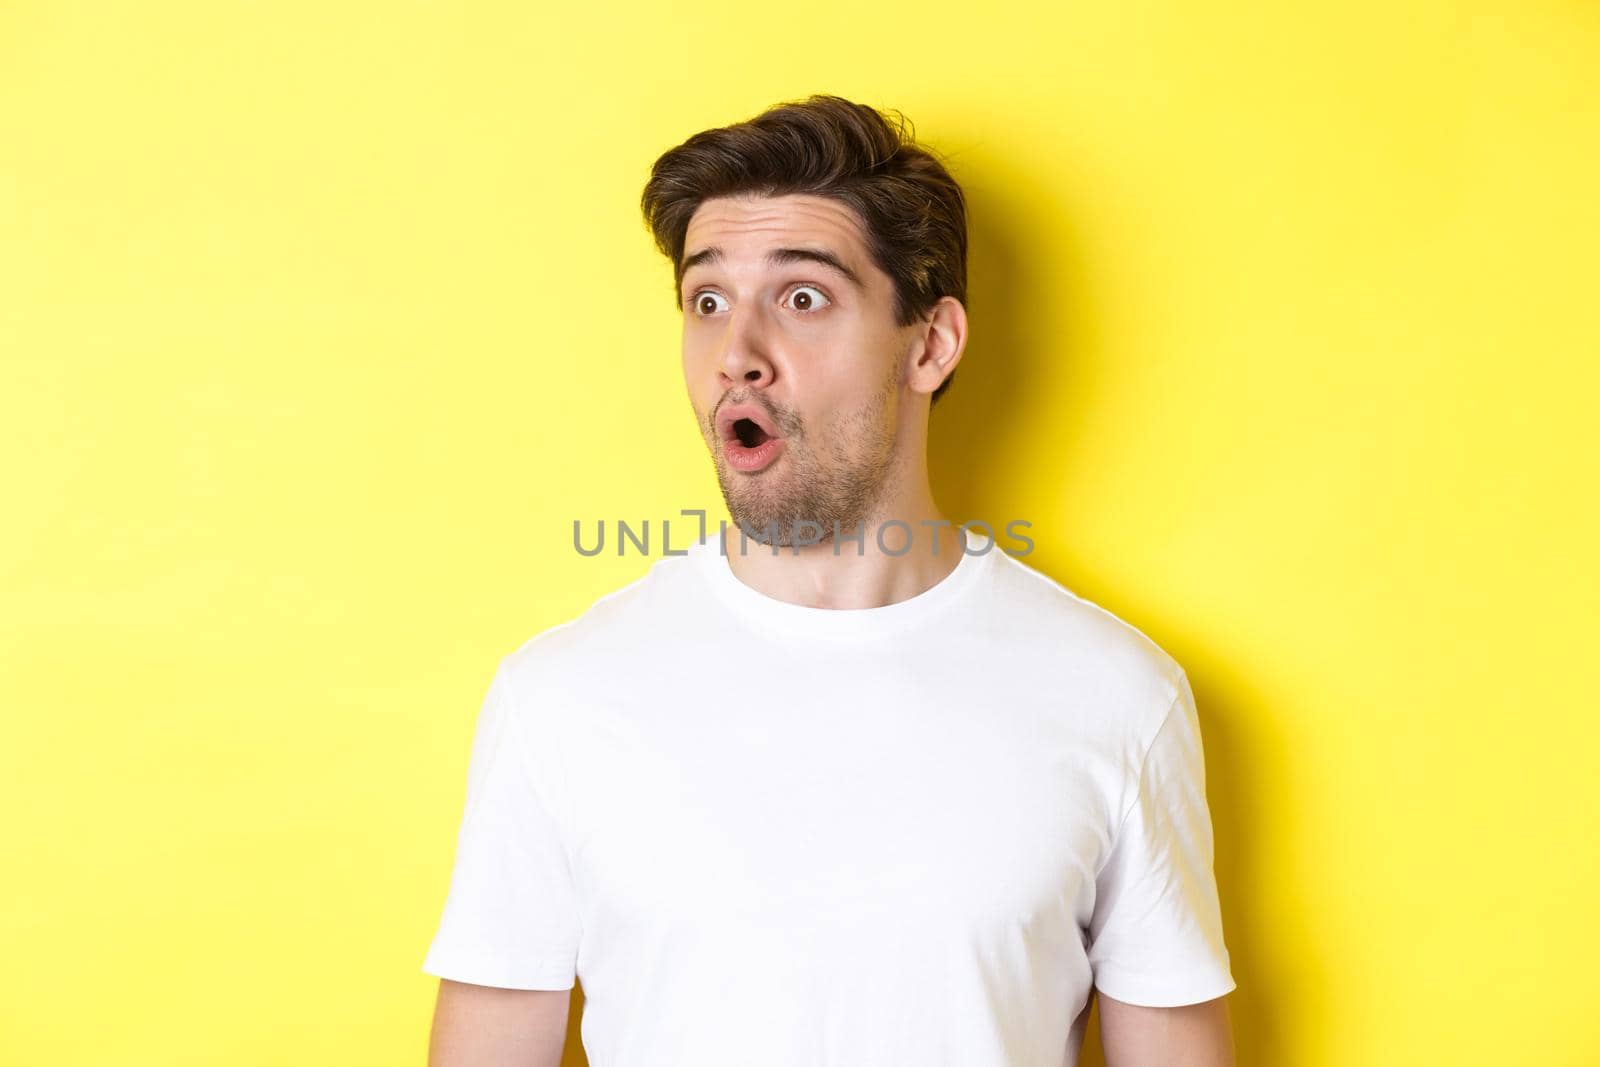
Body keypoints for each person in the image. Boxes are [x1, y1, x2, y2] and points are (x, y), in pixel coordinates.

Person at [422, 93, 1237, 1067]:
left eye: (802, 298)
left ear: (929, 344)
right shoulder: (556, 697)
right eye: (707, 300)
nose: (737, 356)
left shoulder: (1116, 696)